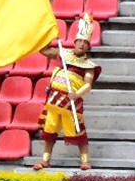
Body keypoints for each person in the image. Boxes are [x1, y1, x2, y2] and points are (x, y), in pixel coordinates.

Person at [34, 13, 102, 171]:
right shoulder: (62, 53)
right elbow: (43, 51)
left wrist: (77, 94)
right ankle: (45, 159)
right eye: (80, 41)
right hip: (54, 99)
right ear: (75, 41)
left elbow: (88, 84)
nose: (82, 45)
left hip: (71, 102)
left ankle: (85, 160)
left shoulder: (89, 65)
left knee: (78, 130)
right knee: (49, 130)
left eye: (85, 42)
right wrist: (45, 35)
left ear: (88, 45)